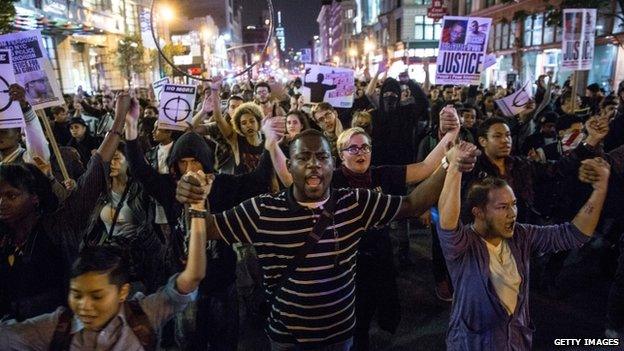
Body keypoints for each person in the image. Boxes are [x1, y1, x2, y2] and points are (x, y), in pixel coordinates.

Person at [175, 128, 480, 350]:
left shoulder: (355, 202)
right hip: (286, 338)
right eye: (303, 157)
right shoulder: (263, 210)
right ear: (288, 167)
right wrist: (195, 201)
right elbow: (211, 228)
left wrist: (448, 164)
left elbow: (413, 203)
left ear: (332, 165)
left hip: (340, 335)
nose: (313, 164)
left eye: (321, 156)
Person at [437, 149, 610, 350]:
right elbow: (447, 223)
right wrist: (455, 168)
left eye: (514, 204)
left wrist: (600, 189)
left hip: (516, 342)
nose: (512, 214)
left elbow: (574, 234)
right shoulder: (464, 244)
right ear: (479, 212)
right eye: (502, 207)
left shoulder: (521, 235)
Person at [0, 183, 207, 348]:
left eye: (97, 296)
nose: (84, 306)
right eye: (77, 295)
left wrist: (197, 211)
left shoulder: (144, 315)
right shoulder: (55, 328)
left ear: (122, 292)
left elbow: (193, 276)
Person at [0, 92, 130, 321]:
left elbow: (95, 171)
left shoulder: (59, 227)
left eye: (11, 196)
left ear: (34, 198)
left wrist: (119, 118)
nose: (2, 203)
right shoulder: (5, 236)